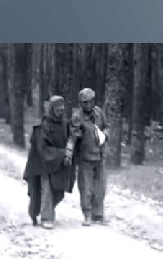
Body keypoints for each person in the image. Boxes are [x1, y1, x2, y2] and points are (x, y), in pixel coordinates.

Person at [23, 96, 76, 229]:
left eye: (62, 110)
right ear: (52, 109)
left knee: (58, 192)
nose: (60, 112)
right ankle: (46, 217)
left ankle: (46, 210)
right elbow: (42, 149)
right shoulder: (43, 126)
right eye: (57, 110)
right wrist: (62, 153)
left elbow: (72, 136)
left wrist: (72, 144)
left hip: (58, 163)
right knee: (46, 189)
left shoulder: (64, 124)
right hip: (43, 164)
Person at [65, 88, 108, 226]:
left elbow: (106, 127)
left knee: (100, 188)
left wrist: (105, 135)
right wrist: (70, 152)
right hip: (85, 158)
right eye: (84, 103)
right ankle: (87, 215)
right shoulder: (77, 117)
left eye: (90, 102)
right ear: (81, 103)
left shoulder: (99, 113)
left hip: (99, 156)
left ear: (93, 101)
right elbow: (72, 136)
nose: (87, 105)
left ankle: (99, 214)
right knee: (86, 188)